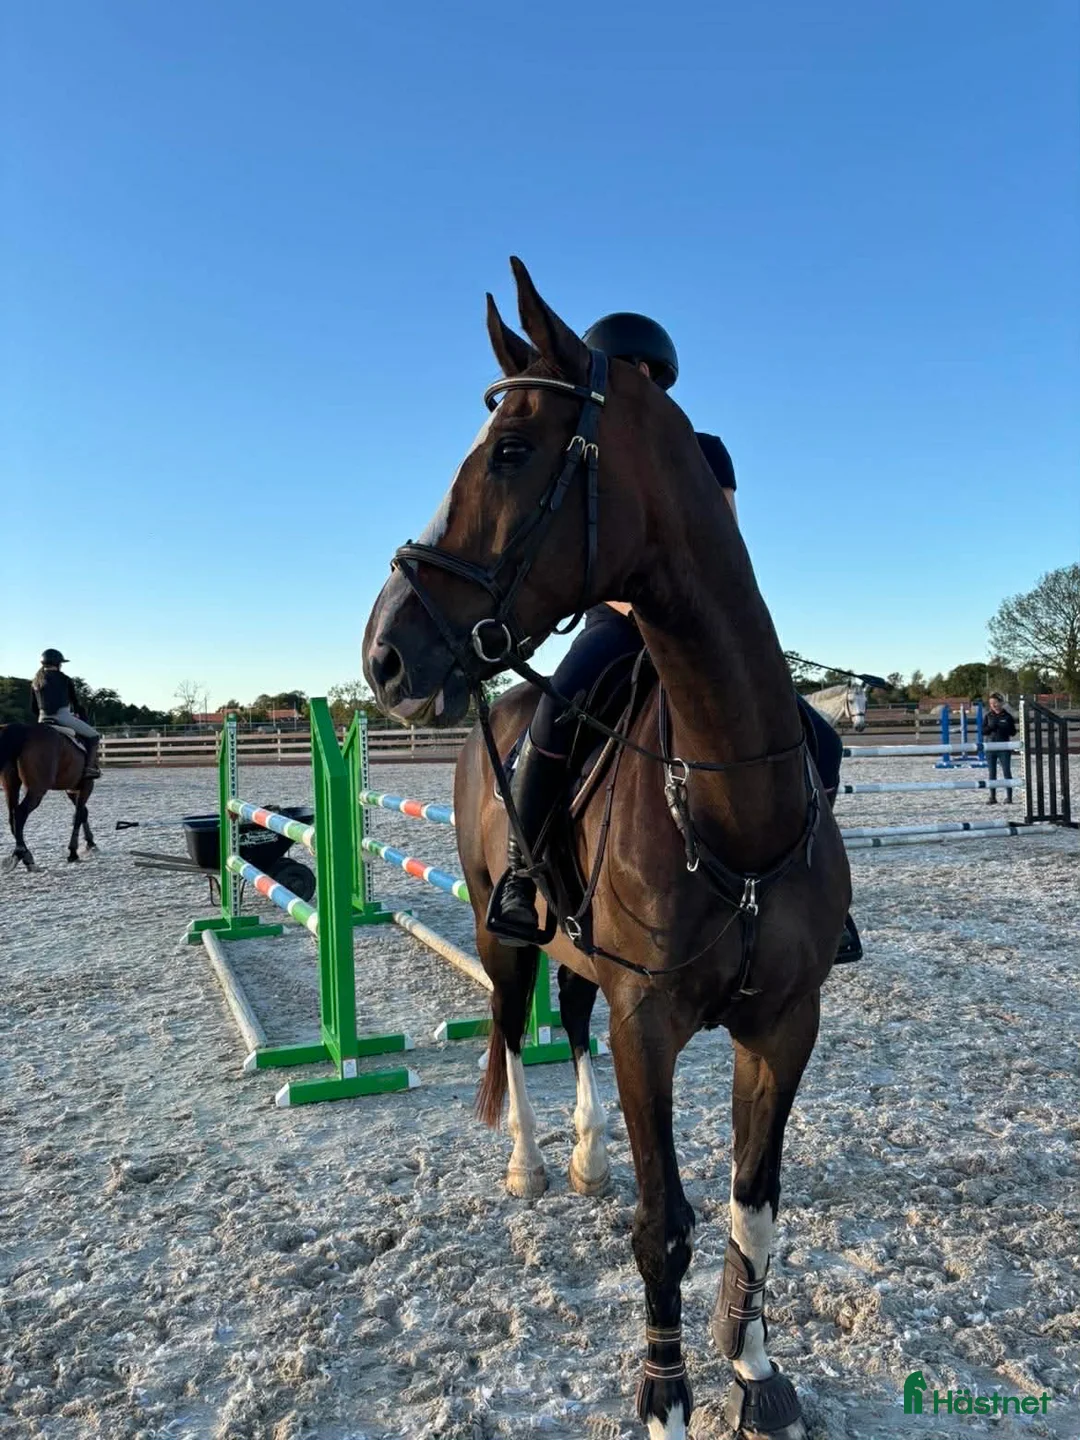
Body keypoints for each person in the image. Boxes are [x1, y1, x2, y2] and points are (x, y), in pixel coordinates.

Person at [489, 312, 854, 958]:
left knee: (818, 740)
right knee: (552, 717)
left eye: (650, 373)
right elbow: (588, 549)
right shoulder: (589, 448)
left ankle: (818, 894)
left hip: (693, 629)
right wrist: (634, 609)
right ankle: (521, 874)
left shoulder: (705, 450)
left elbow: (723, 548)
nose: (641, 381)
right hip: (620, 623)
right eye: (629, 371)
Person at [30, 649, 101, 777]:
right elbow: (76, 703)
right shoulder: (65, 679)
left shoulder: (35, 681)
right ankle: (90, 768)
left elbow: (33, 707)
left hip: (42, 719)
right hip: (62, 717)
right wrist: (81, 716)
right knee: (94, 736)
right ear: (58, 664)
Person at [983, 692, 1017, 803]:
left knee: (1007, 771)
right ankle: (992, 797)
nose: (993, 705)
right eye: (991, 703)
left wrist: (1004, 728)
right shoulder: (988, 716)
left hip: (1004, 748)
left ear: (1001, 703)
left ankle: (1009, 797)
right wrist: (991, 727)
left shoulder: (1007, 716)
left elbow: (1013, 732)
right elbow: (983, 731)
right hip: (990, 748)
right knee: (992, 773)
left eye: (995, 703)